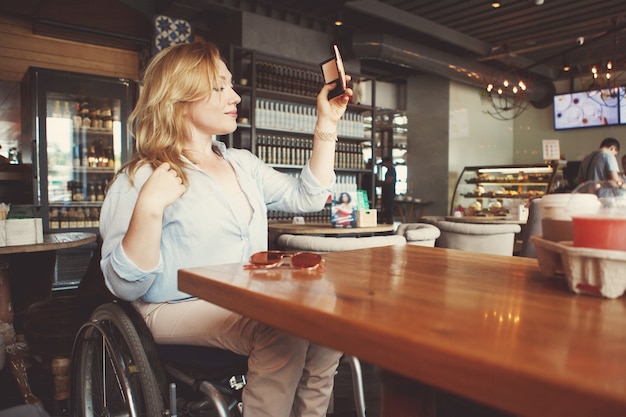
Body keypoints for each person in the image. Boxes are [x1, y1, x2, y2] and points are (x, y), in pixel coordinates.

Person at [99, 41, 353, 417]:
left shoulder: (241, 163)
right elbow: (125, 285)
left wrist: (326, 123)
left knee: (327, 324)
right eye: (219, 87)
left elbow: (308, 197)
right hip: (170, 307)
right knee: (280, 330)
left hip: (242, 301)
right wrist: (150, 208)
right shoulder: (141, 176)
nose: (234, 95)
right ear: (180, 95)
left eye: (231, 85)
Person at [377, 156, 396, 223]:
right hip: (387, 192)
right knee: (386, 207)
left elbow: (388, 181)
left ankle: (389, 221)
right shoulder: (389, 170)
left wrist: (379, 182)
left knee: (388, 208)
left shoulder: (391, 170)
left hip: (389, 193)